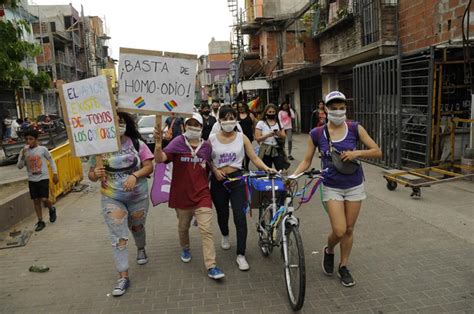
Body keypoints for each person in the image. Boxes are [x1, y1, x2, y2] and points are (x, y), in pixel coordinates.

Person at [292, 91, 382, 287]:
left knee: (349, 229)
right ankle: (329, 250)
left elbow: (377, 150)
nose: (339, 112)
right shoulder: (317, 133)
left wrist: (357, 153)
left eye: (342, 108)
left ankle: (343, 266)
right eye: (334, 108)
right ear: (325, 109)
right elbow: (306, 160)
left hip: (354, 185)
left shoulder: (355, 128)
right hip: (331, 186)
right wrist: (293, 177)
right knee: (339, 230)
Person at [88, 112, 154, 297]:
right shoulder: (100, 148)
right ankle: (123, 276)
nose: (119, 125)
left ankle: (141, 248)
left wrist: (135, 175)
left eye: (121, 122)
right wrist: (96, 173)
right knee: (119, 236)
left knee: (137, 227)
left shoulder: (136, 143)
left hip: (137, 196)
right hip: (111, 198)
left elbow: (149, 166)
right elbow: (91, 175)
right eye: (114, 122)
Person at [154, 112, 226, 280]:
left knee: (206, 230)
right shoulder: (177, 142)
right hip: (182, 195)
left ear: (202, 127)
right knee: (183, 227)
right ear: (184, 126)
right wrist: (158, 145)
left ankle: (211, 266)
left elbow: (209, 162)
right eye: (190, 123)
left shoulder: (207, 146)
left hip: (202, 194)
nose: (193, 127)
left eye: (197, 124)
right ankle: (185, 247)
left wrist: (215, 170)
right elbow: (160, 159)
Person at [209, 105, 275, 271]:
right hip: (218, 183)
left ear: (236, 119)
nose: (229, 121)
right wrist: (214, 170)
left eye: (232, 118)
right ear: (219, 120)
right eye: (225, 118)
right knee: (222, 213)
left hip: (238, 180)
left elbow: (253, 157)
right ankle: (224, 234)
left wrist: (267, 168)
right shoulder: (212, 139)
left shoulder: (242, 137)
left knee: (240, 216)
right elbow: (207, 159)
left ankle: (241, 254)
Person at [17, 129, 59, 232]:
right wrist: (22, 155)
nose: (28, 141)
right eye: (26, 139)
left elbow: (51, 160)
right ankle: (40, 221)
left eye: (31, 139)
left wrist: (55, 173)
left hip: (43, 178)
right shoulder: (23, 151)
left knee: (44, 199)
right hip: (32, 179)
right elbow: (19, 166)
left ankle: (51, 208)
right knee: (36, 201)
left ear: (36, 139)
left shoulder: (42, 149)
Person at [255, 104, 289, 171]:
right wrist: (268, 135)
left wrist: (279, 134)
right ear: (266, 112)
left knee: (280, 169)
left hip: (277, 149)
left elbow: (284, 137)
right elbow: (257, 138)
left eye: (273, 112)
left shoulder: (278, 123)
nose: (272, 113)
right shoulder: (261, 123)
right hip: (265, 150)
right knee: (266, 170)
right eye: (269, 112)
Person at [237, 102, 257, 170]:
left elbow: (254, 125)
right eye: (239, 107)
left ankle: (246, 166)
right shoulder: (236, 115)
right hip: (239, 137)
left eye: (242, 106)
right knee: (240, 151)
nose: (241, 108)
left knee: (248, 152)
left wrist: (254, 134)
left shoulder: (250, 115)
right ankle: (241, 165)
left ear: (245, 107)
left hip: (249, 136)